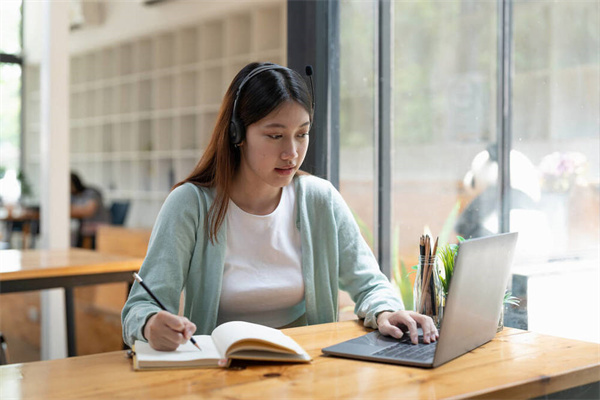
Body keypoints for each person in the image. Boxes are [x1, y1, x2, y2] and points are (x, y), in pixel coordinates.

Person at [121, 62, 438, 351]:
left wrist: (386, 311)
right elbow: (139, 308)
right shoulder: (191, 205)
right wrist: (149, 324)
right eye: (275, 135)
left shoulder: (319, 200)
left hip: (306, 372)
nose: (292, 152)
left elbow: (371, 284)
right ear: (237, 134)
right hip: (217, 374)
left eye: (302, 134)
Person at [70, 172, 110, 248]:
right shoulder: (73, 196)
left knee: (83, 231)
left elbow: (89, 211)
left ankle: (84, 253)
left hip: (98, 223)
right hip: (83, 224)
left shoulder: (91, 193)